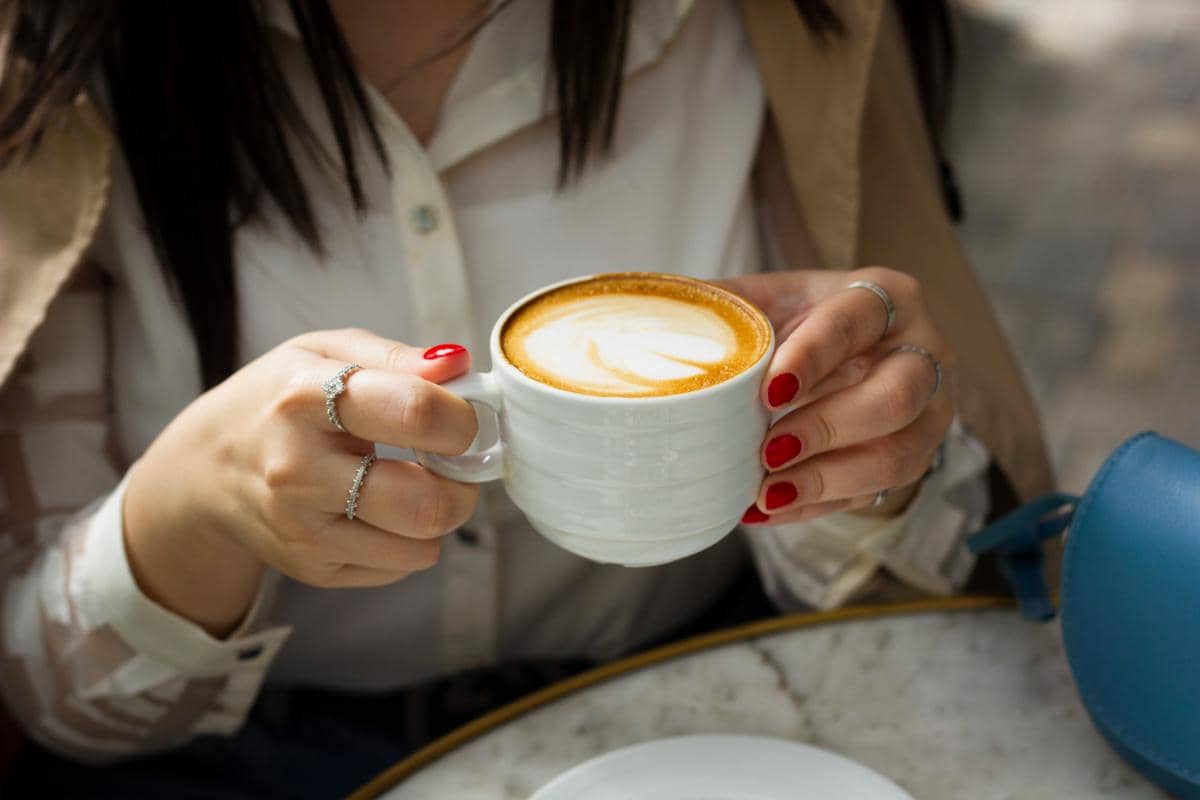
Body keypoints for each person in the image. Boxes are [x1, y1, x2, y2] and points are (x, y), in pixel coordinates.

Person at [0, 0, 1052, 795]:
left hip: (707, 710)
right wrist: (190, 510)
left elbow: (922, 605)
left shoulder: (776, 24)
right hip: (260, 762)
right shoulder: (51, 67)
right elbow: (53, 709)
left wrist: (862, 463)